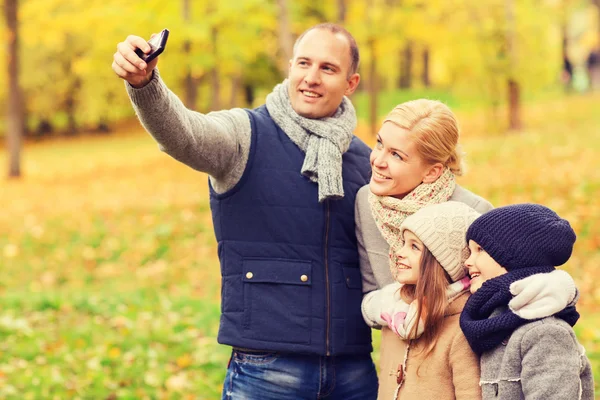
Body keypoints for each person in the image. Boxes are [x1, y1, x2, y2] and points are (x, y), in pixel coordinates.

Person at [112, 23, 378, 399]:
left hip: (353, 373)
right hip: (266, 371)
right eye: (303, 63)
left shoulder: (366, 161)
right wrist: (145, 84)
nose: (311, 78)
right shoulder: (244, 133)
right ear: (290, 67)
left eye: (328, 68)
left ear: (351, 83)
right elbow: (185, 134)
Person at [354, 99, 579, 394]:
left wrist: (435, 306)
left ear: (433, 171)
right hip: (399, 361)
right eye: (380, 144)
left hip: (457, 362)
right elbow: (373, 292)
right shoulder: (366, 202)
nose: (378, 160)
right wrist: (393, 309)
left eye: (396, 155)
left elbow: (497, 294)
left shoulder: (473, 211)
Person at [460, 204, 595, 399]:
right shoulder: (495, 325)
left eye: (479, 249)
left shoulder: (544, 333)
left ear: (514, 257)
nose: (468, 261)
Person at [375, 201, 483, 399]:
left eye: (414, 247)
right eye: (403, 243)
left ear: (441, 262)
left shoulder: (461, 330)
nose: (399, 253)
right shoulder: (396, 315)